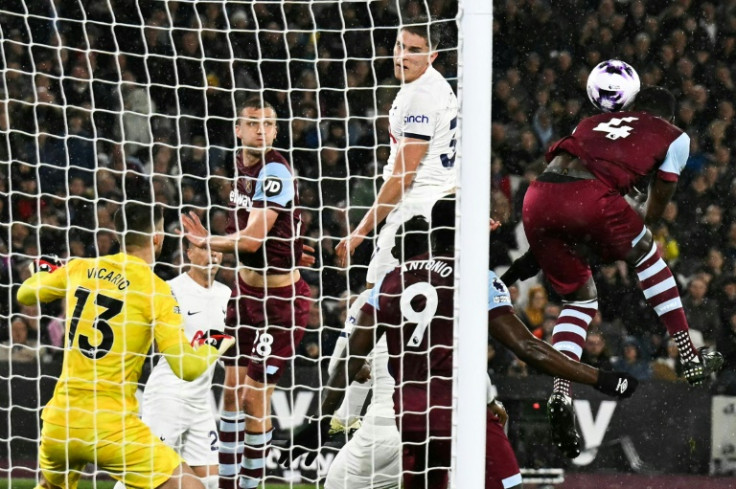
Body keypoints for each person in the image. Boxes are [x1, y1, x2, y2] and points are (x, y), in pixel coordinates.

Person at [279, 196, 638, 489]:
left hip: (411, 415)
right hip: (460, 413)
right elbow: (529, 348)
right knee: (508, 484)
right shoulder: (475, 279)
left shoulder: (390, 281)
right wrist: (599, 378)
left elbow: (349, 360)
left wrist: (320, 421)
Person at [505, 86, 723, 458]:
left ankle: (561, 391)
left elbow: (570, 175)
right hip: (588, 199)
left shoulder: (593, 121)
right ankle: (688, 356)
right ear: (667, 117)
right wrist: (642, 226)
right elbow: (658, 203)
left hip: (537, 197)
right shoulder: (674, 135)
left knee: (579, 299)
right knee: (647, 253)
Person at [16, 202, 234, 489]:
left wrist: (42, 271)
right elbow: (187, 367)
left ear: (119, 236)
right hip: (110, 429)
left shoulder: (81, 268)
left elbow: (26, 293)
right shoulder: (156, 290)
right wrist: (214, 343)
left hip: (60, 425)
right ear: (158, 238)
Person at [325, 16, 458, 485]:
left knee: (375, 300)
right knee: (400, 305)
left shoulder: (420, 95)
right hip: (437, 214)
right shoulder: (436, 87)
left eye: (413, 49)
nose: (402, 56)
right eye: (399, 46)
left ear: (433, 55)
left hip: (411, 215)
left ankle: (346, 408)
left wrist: (360, 231)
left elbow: (403, 174)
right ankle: (364, 402)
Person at [180, 96, 314, 489]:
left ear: (275, 131)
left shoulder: (275, 170)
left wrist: (208, 243)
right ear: (238, 129)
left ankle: (251, 486)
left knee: (255, 398)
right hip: (243, 294)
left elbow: (253, 241)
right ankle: (225, 485)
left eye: (267, 124)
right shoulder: (239, 166)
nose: (260, 130)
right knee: (231, 393)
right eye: (252, 123)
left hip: (280, 303)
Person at [112, 239, 231, 489]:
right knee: (145, 473)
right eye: (204, 249)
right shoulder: (170, 289)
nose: (213, 255)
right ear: (188, 253)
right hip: (169, 394)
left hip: (201, 400)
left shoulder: (227, 294)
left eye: (217, 250)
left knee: (212, 479)